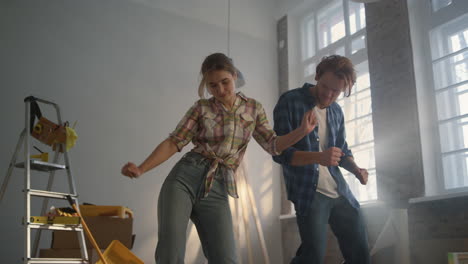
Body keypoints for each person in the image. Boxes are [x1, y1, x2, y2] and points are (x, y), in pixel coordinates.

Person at [121, 53, 318, 263]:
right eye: (213, 86)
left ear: (234, 76)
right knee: (171, 251)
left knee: (226, 258)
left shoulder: (253, 108)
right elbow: (174, 142)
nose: (221, 90)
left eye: (225, 82)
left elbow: (272, 145)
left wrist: (301, 131)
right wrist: (141, 168)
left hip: (218, 186)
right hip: (185, 178)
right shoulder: (201, 108)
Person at [273, 55, 371, 264]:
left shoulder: (336, 111)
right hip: (309, 192)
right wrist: (319, 157)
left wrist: (356, 169)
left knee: (360, 252)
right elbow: (280, 153)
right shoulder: (290, 101)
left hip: (339, 190)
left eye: (336, 91)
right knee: (313, 257)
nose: (328, 94)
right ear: (317, 76)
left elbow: (341, 150)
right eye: (325, 86)